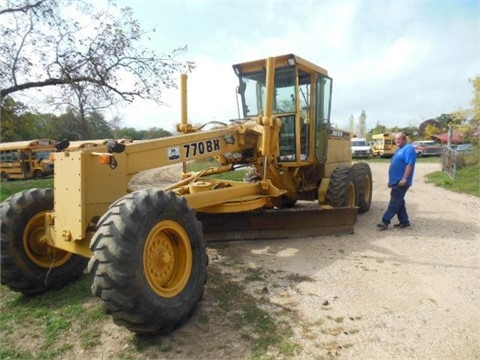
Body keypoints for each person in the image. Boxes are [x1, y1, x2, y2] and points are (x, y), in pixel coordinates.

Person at [377, 132, 416, 231]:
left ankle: (385, 221)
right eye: (396, 139)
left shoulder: (409, 149)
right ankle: (404, 222)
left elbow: (409, 164)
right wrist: (391, 180)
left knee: (394, 203)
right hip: (395, 181)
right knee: (399, 202)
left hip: (401, 182)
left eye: (399, 139)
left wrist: (404, 179)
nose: (397, 141)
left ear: (404, 139)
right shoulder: (399, 150)